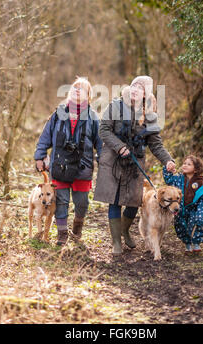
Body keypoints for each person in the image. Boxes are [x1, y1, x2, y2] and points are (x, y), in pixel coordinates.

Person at [94, 76, 175, 255]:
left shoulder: (149, 115)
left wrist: (167, 160)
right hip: (113, 160)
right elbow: (104, 130)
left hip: (135, 162)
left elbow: (155, 143)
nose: (135, 89)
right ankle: (116, 242)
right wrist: (119, 146)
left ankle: (124, 231)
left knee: (134, 201)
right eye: (133, 85)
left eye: (140, 87)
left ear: (145, 93)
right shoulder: (115, 106)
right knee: (114, 201)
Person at [34, 77, 102, 246]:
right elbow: (45, 137)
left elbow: (100, 143)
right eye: (74, 87)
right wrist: (39, 156)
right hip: (59, 165)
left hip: (82, 166)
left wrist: (103, 161)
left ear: (88, 95)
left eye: (81, 88)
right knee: (61, 201)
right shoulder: (58, 113)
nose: (76, 90)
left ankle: (77, 228)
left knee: (82, 203)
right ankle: (62, 233)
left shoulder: (93, 117)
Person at [163, 155, 203, 254]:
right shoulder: (178, 178)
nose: (185, 165)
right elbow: (168, 180)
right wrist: (168, 169)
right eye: (184, 163)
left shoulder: (200, 183)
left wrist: (201, 212)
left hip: (194, 209)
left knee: (196, 223)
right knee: (180, 226)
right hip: (180, 209)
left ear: (196, 169)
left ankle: (196, 244)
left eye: (189, 164)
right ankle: (187, 244)